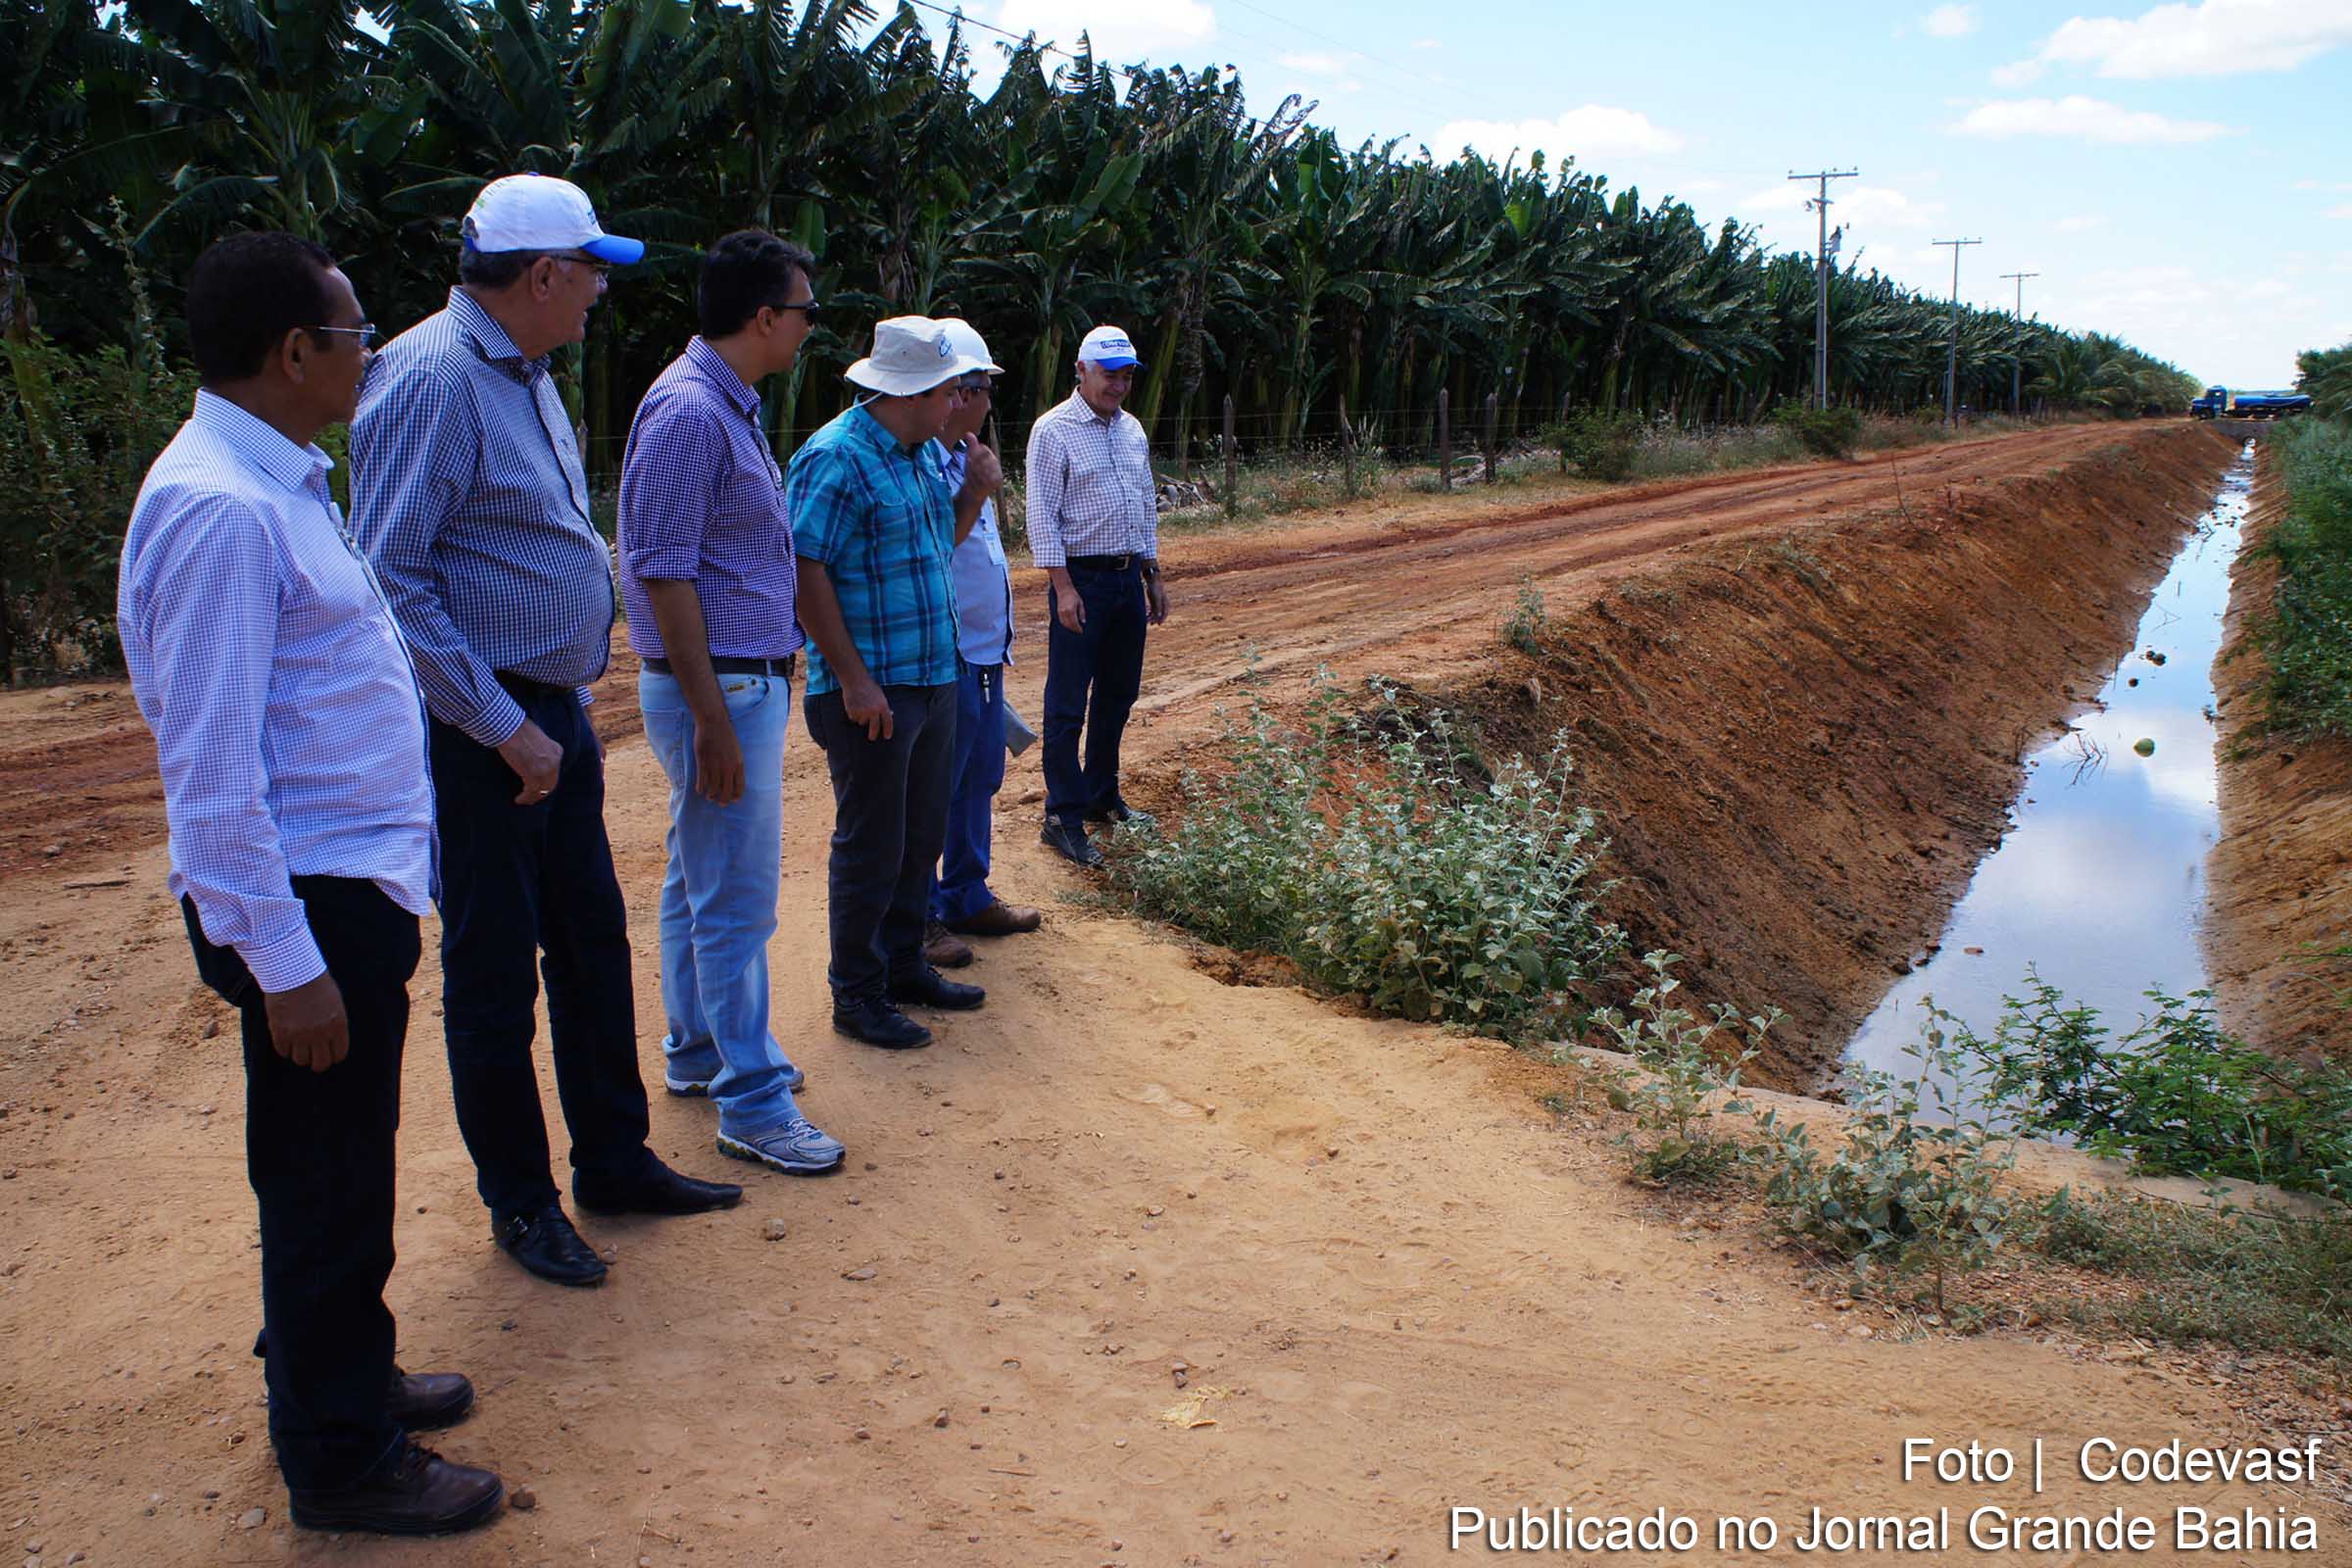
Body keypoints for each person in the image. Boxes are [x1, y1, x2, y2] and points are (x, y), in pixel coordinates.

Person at [121, 231, 503, 1534]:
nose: (371, 356)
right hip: (310, 905)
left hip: (347, 891)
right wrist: (287, 964)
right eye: (354, 336)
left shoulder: (276, 482)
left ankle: (346, 1370)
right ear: (295, 353)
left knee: (340, 1163)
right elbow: (212, 771)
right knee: (325, 1177)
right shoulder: (222, 509)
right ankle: (341, 1457)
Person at [353, 173, 741, 1291]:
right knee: (492, 975)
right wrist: (501, 725)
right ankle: (520, 1202)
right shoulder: (431, 379)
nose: (599, 298)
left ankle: (612, 1159)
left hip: (548, 715)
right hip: (482, 729)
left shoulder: (524, 374)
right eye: (592, 277)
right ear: (540, 276)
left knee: (589, 942)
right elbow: (392, 582)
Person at [617, 230, 844, 1176]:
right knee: (736, 901)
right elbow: (662, 574)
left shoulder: (724, 404)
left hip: (733, 679)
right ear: (764, 317)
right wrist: (712, 717)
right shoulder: (688, 414)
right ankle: (751, 1101)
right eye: (803, 311)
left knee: (693, 878)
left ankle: (697, 1049)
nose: (806, 329)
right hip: (720, 684)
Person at [789, 317, 998, 1051]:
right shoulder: (836, 458)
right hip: (874, 692)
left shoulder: (914, 455)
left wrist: (973, 492)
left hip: (933, 676)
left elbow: (936, 545)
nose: (961, 405)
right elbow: (803, 570)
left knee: (920, 835)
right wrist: (853, 680)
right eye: (952, 392)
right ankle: (857, 992)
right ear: (913, 393)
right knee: (871, 843)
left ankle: (904, 965)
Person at [1024, 323, 1169, 868]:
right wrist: (1062, 587)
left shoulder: (1131, 430)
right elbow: (1042, 514)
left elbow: (1143, 504)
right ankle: (1061, 815)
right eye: (1110, 375)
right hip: (1080, 581)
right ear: (1081, 371)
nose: (1119, 386)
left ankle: (1101, 796)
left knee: (1118, 694)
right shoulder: (1053, 430)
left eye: (1127, 376)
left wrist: (1152, 572)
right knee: (1066, 703)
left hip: (1127, 579)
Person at [922, 318, 1042, 969]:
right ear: (960, 391)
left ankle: (967, 890)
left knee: (979, 775)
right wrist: (975, 489)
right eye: (983, 387)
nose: (988, 400)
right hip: (947, 651)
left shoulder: (971, 456)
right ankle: (929, 908)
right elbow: (936, 546)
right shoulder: (927, 465)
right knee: (939, 783)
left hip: (985, 651)